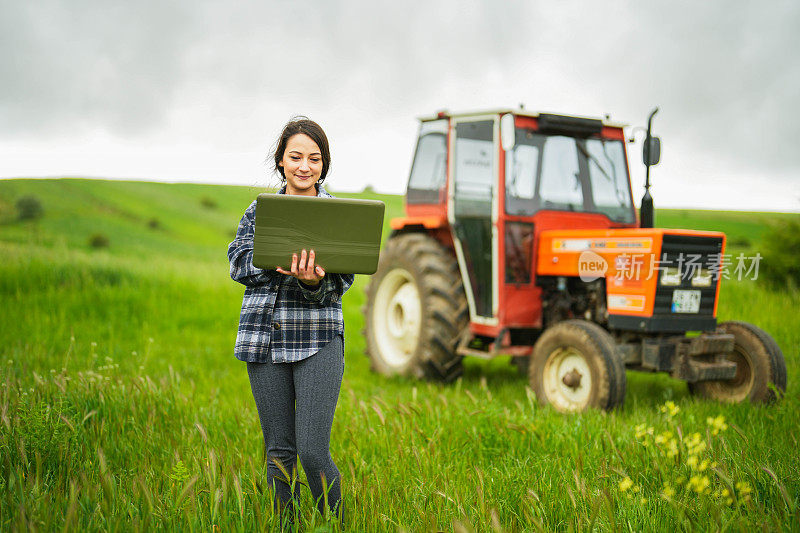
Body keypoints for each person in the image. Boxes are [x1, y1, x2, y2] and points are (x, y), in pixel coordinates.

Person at [227, 116, 354, 524]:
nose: (304, 166)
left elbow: (342, 281)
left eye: (314, 159)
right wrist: (276, 259)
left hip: (318, 340)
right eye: (295, 156)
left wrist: (313, 282)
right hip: (262, 340)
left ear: (324, 165)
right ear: (281, 161)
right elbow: (238, 263)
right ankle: (285, 526)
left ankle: (335, 525)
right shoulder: (259, 210)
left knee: (313, 450)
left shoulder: (336, 215)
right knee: (279, 452)